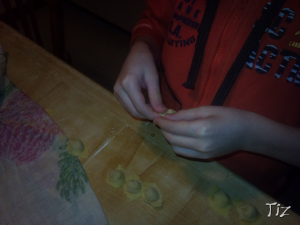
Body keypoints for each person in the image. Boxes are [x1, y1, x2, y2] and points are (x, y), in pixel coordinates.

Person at [113, 0, 300, 194]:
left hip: (246, 184)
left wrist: (250, 135)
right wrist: (143, 45)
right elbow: (158, 21)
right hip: (159, 144)